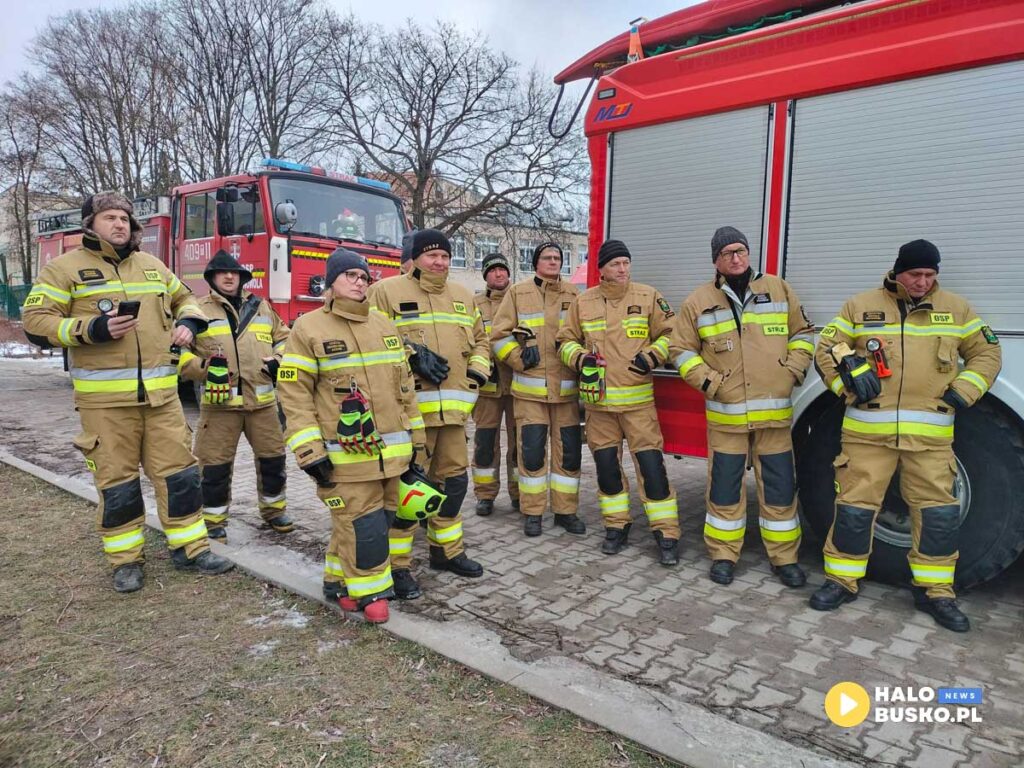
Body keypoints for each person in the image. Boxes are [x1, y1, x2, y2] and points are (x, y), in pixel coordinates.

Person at [22, 192, 233, 593]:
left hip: (162, 400)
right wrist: (91, 330)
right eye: (110, 218)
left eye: (124, 218)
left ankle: (191, 548)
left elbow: (186, 297)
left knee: (180, 477)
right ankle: (126, 560)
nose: (120, 224)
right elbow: (35, 322)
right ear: (90, 224)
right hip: (105, 407)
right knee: (118, 485)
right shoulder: (63, 269)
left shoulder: (151, 265)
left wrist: (190, 321)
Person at [809, 239, 1001, 632]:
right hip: (867, 436)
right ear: (898, 271)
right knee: (854, 509)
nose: (922, 282)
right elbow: (825, 347)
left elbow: (988, 353)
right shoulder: (860, 306)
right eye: (915, 274)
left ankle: (935, 592)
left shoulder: (956, 310)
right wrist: (845, 386)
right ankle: (841, 581)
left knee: (938, 515)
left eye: (930, 275)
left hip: (930, 440)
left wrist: (963, 391)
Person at [277, 249, 423, 623]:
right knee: (363, 525)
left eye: (364, 277)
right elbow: (293, 395)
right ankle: (371, 593)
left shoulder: (384, 325)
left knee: (376, 521)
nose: (360, 282)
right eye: (351, 276)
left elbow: (405, 390)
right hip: (344, 457)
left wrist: (417, 442)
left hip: (392, 455)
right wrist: (309, 452)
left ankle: (337, 580)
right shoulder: (308, 329)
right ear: (332, 282)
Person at [674, 226, 814, 588]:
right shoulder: (698, 301)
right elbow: (681, 350)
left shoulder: (778, 289)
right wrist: (710, 382)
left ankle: (784, 558)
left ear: (749, 254)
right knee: (724, 490)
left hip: (774, 417)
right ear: (716, 261)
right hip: (727, 418)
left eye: (741, 251)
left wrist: (792, 372)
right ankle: (723, 554)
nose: (735, 258)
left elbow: (803, 334)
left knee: (780, 490)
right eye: (727, 254)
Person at [368, 229, 488, 599]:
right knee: (411, 490)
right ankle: (399, 567)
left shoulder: (463, 296)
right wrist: (411, 353)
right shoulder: (387, 292)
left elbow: (481, 340)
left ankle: (446, 552)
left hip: (453, 416)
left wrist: (476, 374)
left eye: (445, 256)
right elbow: (371, 337)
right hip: (410, 417)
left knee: (453, 485)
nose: (439, 262)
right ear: (416, 258)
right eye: (432, 255)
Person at [556, 240, 681, 565]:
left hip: (639, 407)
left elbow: (672, 333)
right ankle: (616, 527)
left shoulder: (648, 296)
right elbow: (564, 341)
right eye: (616, 264)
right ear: (601, 269)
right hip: (600, 409)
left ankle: (666, 534)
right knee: (607, 471)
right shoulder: (583, 302)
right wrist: (580, 357)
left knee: (653, 471)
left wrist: (653, 355)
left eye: (626, 262)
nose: (623, 269)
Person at [177, 251, 292, 540]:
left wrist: (280, 358)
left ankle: (274, 511)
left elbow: (286, 337)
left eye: (235, 273)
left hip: (263, 405)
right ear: (211, 278)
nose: (230, 277)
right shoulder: (197, 310)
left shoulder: (261, 307)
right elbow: (177, 354)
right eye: (223, 273)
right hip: (219, 407)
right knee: (214, 466)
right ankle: (213, 520)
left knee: (273, 461)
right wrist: (201, 368)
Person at [491, 243, 583, 537]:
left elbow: (585, 334)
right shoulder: (518, 293)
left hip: (566, 393)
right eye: (547, 258)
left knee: (568, 454)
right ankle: (532, 513)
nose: (554, 262)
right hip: (529, 393)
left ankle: (565, 511)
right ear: (536, 263)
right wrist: (518, 359)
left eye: (558, 258)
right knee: (531, 454)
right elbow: (498, 335)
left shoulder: (574, 294)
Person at [470, 252, 520, 517]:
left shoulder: (521, 298)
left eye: (502, 270)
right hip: (487, 389)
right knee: (485, 443)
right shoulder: (473, 304)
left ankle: (519, 493)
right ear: (486, 276)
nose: (499, 274)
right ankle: (485, 494)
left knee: (520, 443)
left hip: (517, 385)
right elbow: (469, 340)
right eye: (493, 271)